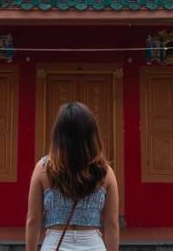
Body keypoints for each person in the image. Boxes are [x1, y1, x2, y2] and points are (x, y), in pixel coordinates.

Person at [26, 102, 119, 251]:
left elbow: (33, 220)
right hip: (93, 245)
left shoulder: (43, 169)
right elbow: (112, 224)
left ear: (58, 135)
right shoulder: (105, 172)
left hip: (55, 243)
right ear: (92, 134)